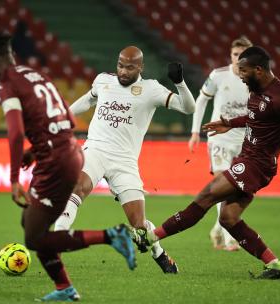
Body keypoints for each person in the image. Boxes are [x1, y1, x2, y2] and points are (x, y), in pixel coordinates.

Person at [132, 46, 280, 279]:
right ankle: (275, 265)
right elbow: (255, 117)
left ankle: (151, 237)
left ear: (259, 70)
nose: (240, 75)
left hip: (257, 164)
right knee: (227, 218)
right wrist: (230, 123)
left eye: (243, 71)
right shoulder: (257, 88)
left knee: (206, 196)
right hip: (249, 159)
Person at [0, 32, 136, 302]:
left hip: (55, 163)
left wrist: (15, 177)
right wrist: (35, 151)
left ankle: (112, 236)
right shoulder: (34, 75)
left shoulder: (6, 85)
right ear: (11, 54)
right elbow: (66, 114)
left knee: (35, 239)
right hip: (69, 152)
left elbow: (15, 133)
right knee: (29, 222)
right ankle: (64, 288)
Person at [52, 46, 196, 273]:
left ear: (141, 67)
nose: (124, 71)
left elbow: (189, 108)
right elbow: (87, 101)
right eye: (120, 65)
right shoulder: (102, 81)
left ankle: (160, 254)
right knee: (77, 188)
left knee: (138, 224)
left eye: (130, 67)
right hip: (95, 150)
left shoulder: (151, 89)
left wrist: (179, 83)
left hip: (125, 161)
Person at [189, 36, 252, 251]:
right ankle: (229, 237)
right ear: (230, 55)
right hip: (219, 137)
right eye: (235, 55)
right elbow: (202, 99)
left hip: (244, 139)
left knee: (236, 188)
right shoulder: (219, 75)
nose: (238, 59)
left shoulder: (255, 79)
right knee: (220, 183)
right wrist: (195, 131)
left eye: (243, 55)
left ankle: (218, 227)